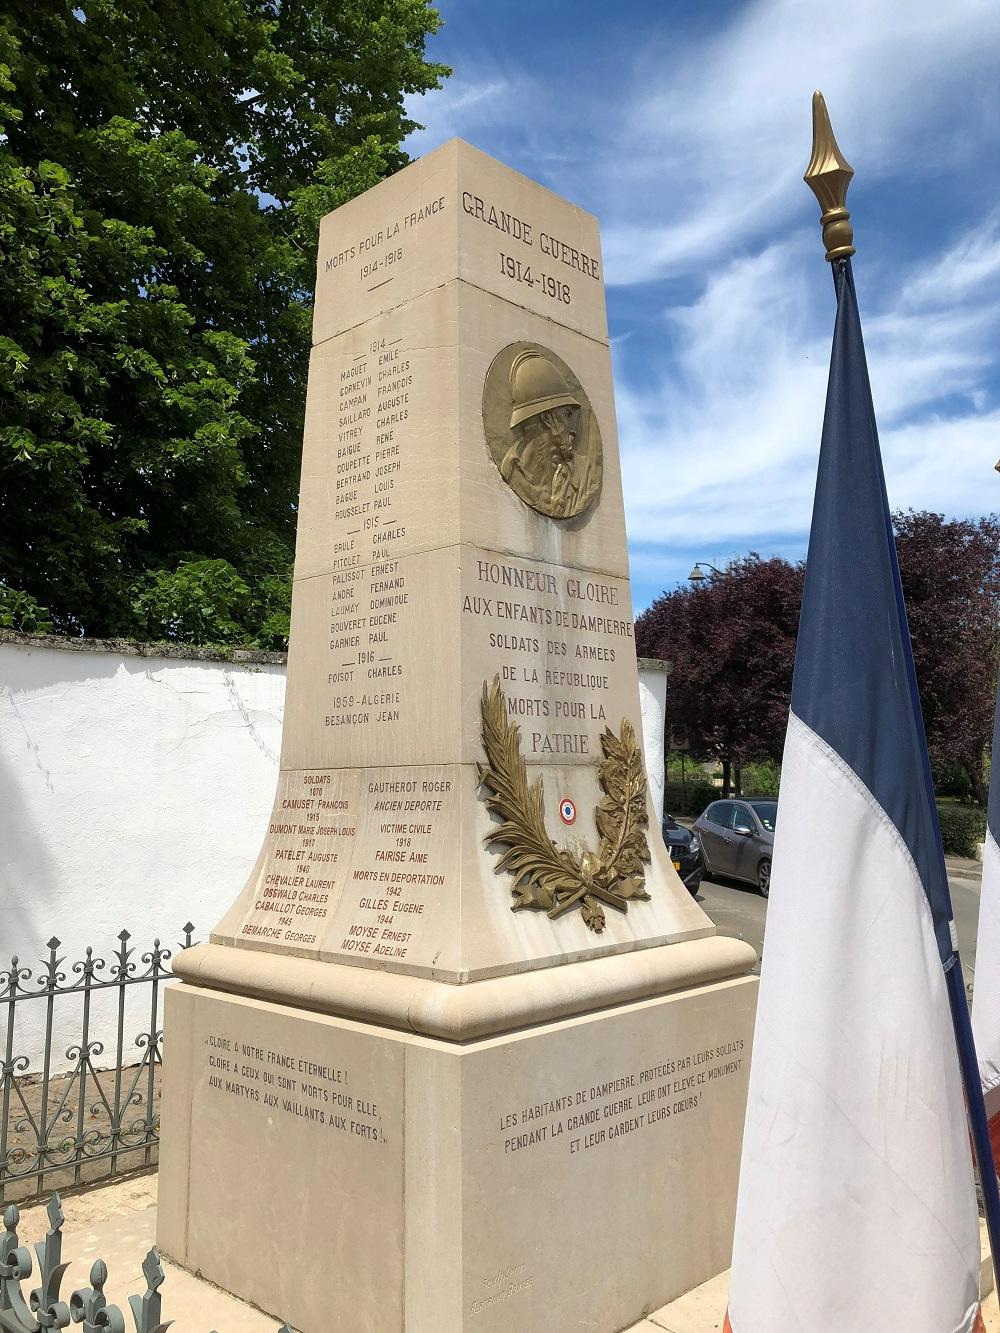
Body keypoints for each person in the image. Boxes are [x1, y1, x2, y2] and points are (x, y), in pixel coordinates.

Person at [500, 350, 586, 517]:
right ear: (548, 419)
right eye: (567, 415)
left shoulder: (582, 474)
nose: (573, 428)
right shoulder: (511, 471)